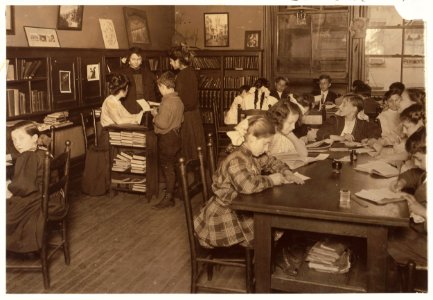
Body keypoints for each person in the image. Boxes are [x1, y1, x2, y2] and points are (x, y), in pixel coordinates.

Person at [194, 115, 305, 248]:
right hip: (225, 215)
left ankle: (270, 257)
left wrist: (286, 172)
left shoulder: (252, 153)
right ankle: (263, 261)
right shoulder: (236, 159)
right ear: (252, 138)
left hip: (240, 207)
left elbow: (271, 161)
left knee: (277, 224)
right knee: (271, 226)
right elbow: (247, 186)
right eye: (266, 144)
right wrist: (271, 180)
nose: (267, 149)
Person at [7, 121, 65, 253]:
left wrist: (10, 187)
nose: (17, 143)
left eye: (21, 138)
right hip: (54, 199)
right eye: (14, 140)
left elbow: (22, 187)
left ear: (34, 138)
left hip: (38, 203)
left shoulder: (27, 156)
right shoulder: (44, 152)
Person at [81, 73, 144, 196]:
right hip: (108, 136)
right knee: (133, 149)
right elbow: (119, 121)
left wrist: (139, 114)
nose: (128, 90)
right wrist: (136, 118)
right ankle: (123, 180)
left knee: (135, 146)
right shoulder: (110, 102)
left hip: (115, 133)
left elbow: (127, 116)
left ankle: (129, 179)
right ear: (122, 89)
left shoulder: (116, 101)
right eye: (127, 88)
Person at [387, 127, 426, 268]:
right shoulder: (425, 173)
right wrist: (401, 182)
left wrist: (422, 211)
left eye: (418, 159)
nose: (415, 163)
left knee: (384, 241)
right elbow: (413, 174)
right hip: (421, 233)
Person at [227, 98, 308, 157]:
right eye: (290, 123)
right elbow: (233, 150)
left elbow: (304, 154)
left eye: (294, 123)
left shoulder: (283, 131)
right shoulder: (260, 126)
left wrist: (291, 136)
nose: (293, 127)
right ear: (279, 118)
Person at [150, 71, 184, 210]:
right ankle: (175, 191)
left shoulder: (166, 102)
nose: (159, 90)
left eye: (159, 87)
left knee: (167, 168)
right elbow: (181, 119)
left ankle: (168, 198)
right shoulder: (178, 100)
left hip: (166, 139)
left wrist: (155, 115)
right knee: (174, 166)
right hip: (176, 137)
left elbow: (162, 124)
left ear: (164, 86)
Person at [169, 45, 206, 160]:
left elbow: (183, 100)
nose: (170, 63)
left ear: (178, 61)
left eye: (171, 61)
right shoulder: (191, 72)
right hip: (194, 116)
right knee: (195, 150)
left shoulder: (181, 76)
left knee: (187, 151)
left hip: (187, 117)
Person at [316, 94, 381, 143]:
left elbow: (375, 132)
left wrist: (369, 139)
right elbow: (320, 133)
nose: (340, 107)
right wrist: (341, 138)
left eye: (344, 105)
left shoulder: (362, 123)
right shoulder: (335, 120)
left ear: (354, 109)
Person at [117, 47, 158, 114]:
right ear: (129, 60)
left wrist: (153, 107)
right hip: (129, 107)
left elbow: (152, 93)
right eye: (133, 59)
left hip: (145, 106)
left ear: (142, 60)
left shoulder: (148, 73)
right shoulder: (123, 74)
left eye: (139, 59)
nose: (136, 62)